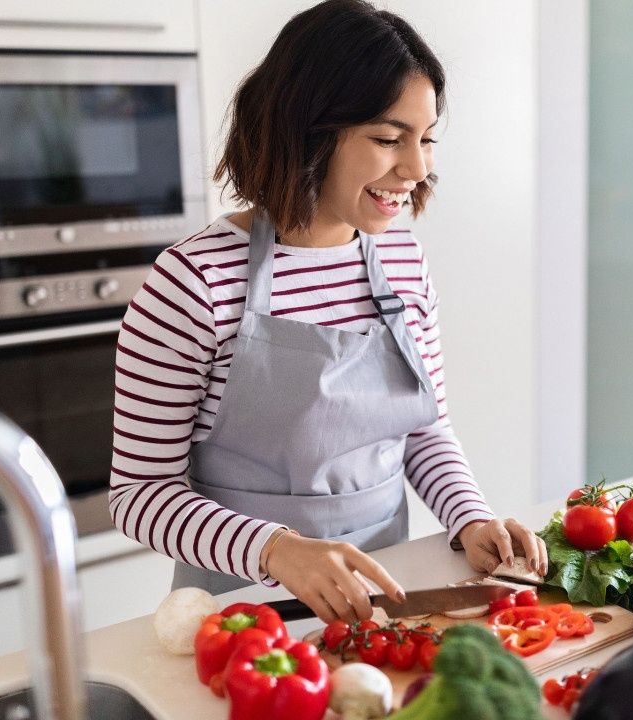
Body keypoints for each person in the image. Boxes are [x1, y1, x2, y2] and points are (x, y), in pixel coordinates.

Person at [107, 0, 547, 626]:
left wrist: (469, 517)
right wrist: (278, 550)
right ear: (308, 129)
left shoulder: (403, 263)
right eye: (388, 139)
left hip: (390, 603)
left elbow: (423, 428)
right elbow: (139, 496)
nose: (417, 168)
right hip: (241, 615)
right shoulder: (194, 282)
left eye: (425, 140)